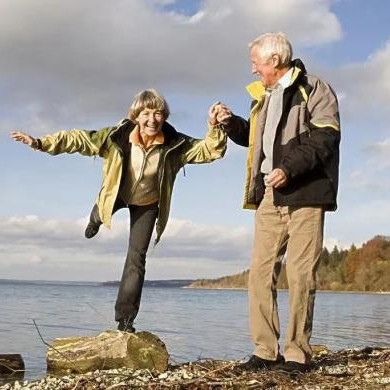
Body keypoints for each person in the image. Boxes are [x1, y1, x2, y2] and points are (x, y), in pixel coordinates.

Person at [11, 89, 229, 332]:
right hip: (117, 194)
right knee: (102, 210)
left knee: (136, 259)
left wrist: (214, 126)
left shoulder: (175, 144)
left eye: (158, 113)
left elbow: (210, 150)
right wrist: (40, 143)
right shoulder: (116, 137)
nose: (152, 119)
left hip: (148, 203)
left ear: (164, 116)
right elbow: (78, 139)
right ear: (136, 115)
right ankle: (96, 216)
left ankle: (125, 320)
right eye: (146, 113)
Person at [213, 32, 340, 373]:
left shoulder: (315, 88)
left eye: (255, 62)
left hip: (307, 192)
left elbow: (326, 138)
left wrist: (289, 168)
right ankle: (265, 351)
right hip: (270, 193)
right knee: (260, 272)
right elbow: (257, 142)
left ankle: (297, 354)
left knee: (300, 274)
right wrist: (230, 124)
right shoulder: (265, 96)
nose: (253, 69)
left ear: (273, 60)